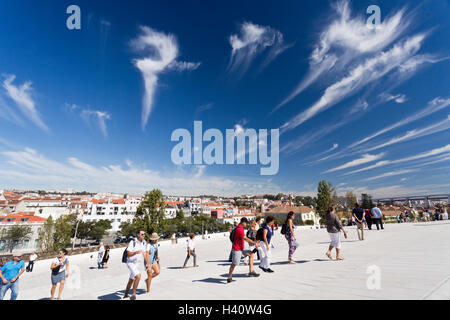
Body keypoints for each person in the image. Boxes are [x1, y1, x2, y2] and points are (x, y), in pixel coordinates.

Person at [227, 217, 260, 283]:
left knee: (251, 254)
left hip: (242, 247)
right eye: (246, 223)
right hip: (237, 249)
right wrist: (254, 242)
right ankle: (229, 277)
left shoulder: (241, 228)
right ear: (243, 222)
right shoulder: (239, 229)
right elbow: (246, 238)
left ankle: (251, 271)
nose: (246, 224)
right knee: (234, 264)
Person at [124, 230, 147, 300]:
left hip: (137, 264)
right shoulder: (132, 242)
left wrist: (148, 263)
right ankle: (133, 294)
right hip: (130, 263)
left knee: (131, 279)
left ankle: (125, 294)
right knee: (138, 276)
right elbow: (128, 254)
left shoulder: (144, 242)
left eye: (144, 234)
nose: (143, 235)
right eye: (142, 234)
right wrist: (135, 253)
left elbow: (144, 254)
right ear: (138, 235)